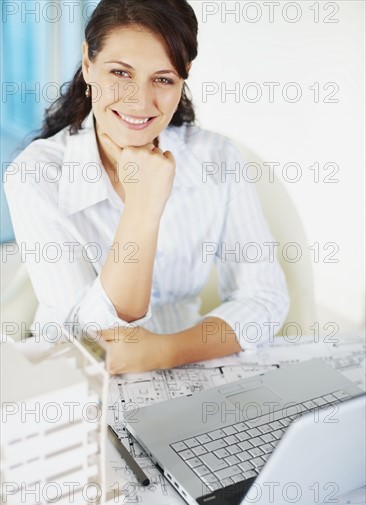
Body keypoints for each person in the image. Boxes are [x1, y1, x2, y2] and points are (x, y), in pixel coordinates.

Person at [4, 0, 289, 373]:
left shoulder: (217, 157)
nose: (139, 102)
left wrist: (165, 352)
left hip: (188, 368)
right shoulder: (35, 174)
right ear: (88, 64)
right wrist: (143, 206)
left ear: (184, 75)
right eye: (120, 73)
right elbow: (98, 342)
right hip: (77, 382)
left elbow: (265, 297)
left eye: (163, 78)